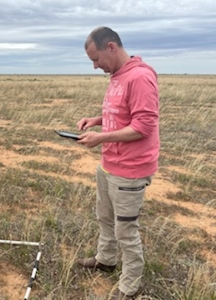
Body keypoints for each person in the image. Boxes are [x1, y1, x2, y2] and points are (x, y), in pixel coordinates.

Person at [76, 27, 160, 300]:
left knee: (126, 230)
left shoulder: (140, 76)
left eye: (96, 58)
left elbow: (143, 127)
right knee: (105, 218)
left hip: (130, 170)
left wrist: (101, 137)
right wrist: (96, 120)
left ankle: (129, 286)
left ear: (111, 47)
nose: (94, 66)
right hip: (109, 164)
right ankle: (106, 260)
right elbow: (121, 113)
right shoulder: (117, 75)